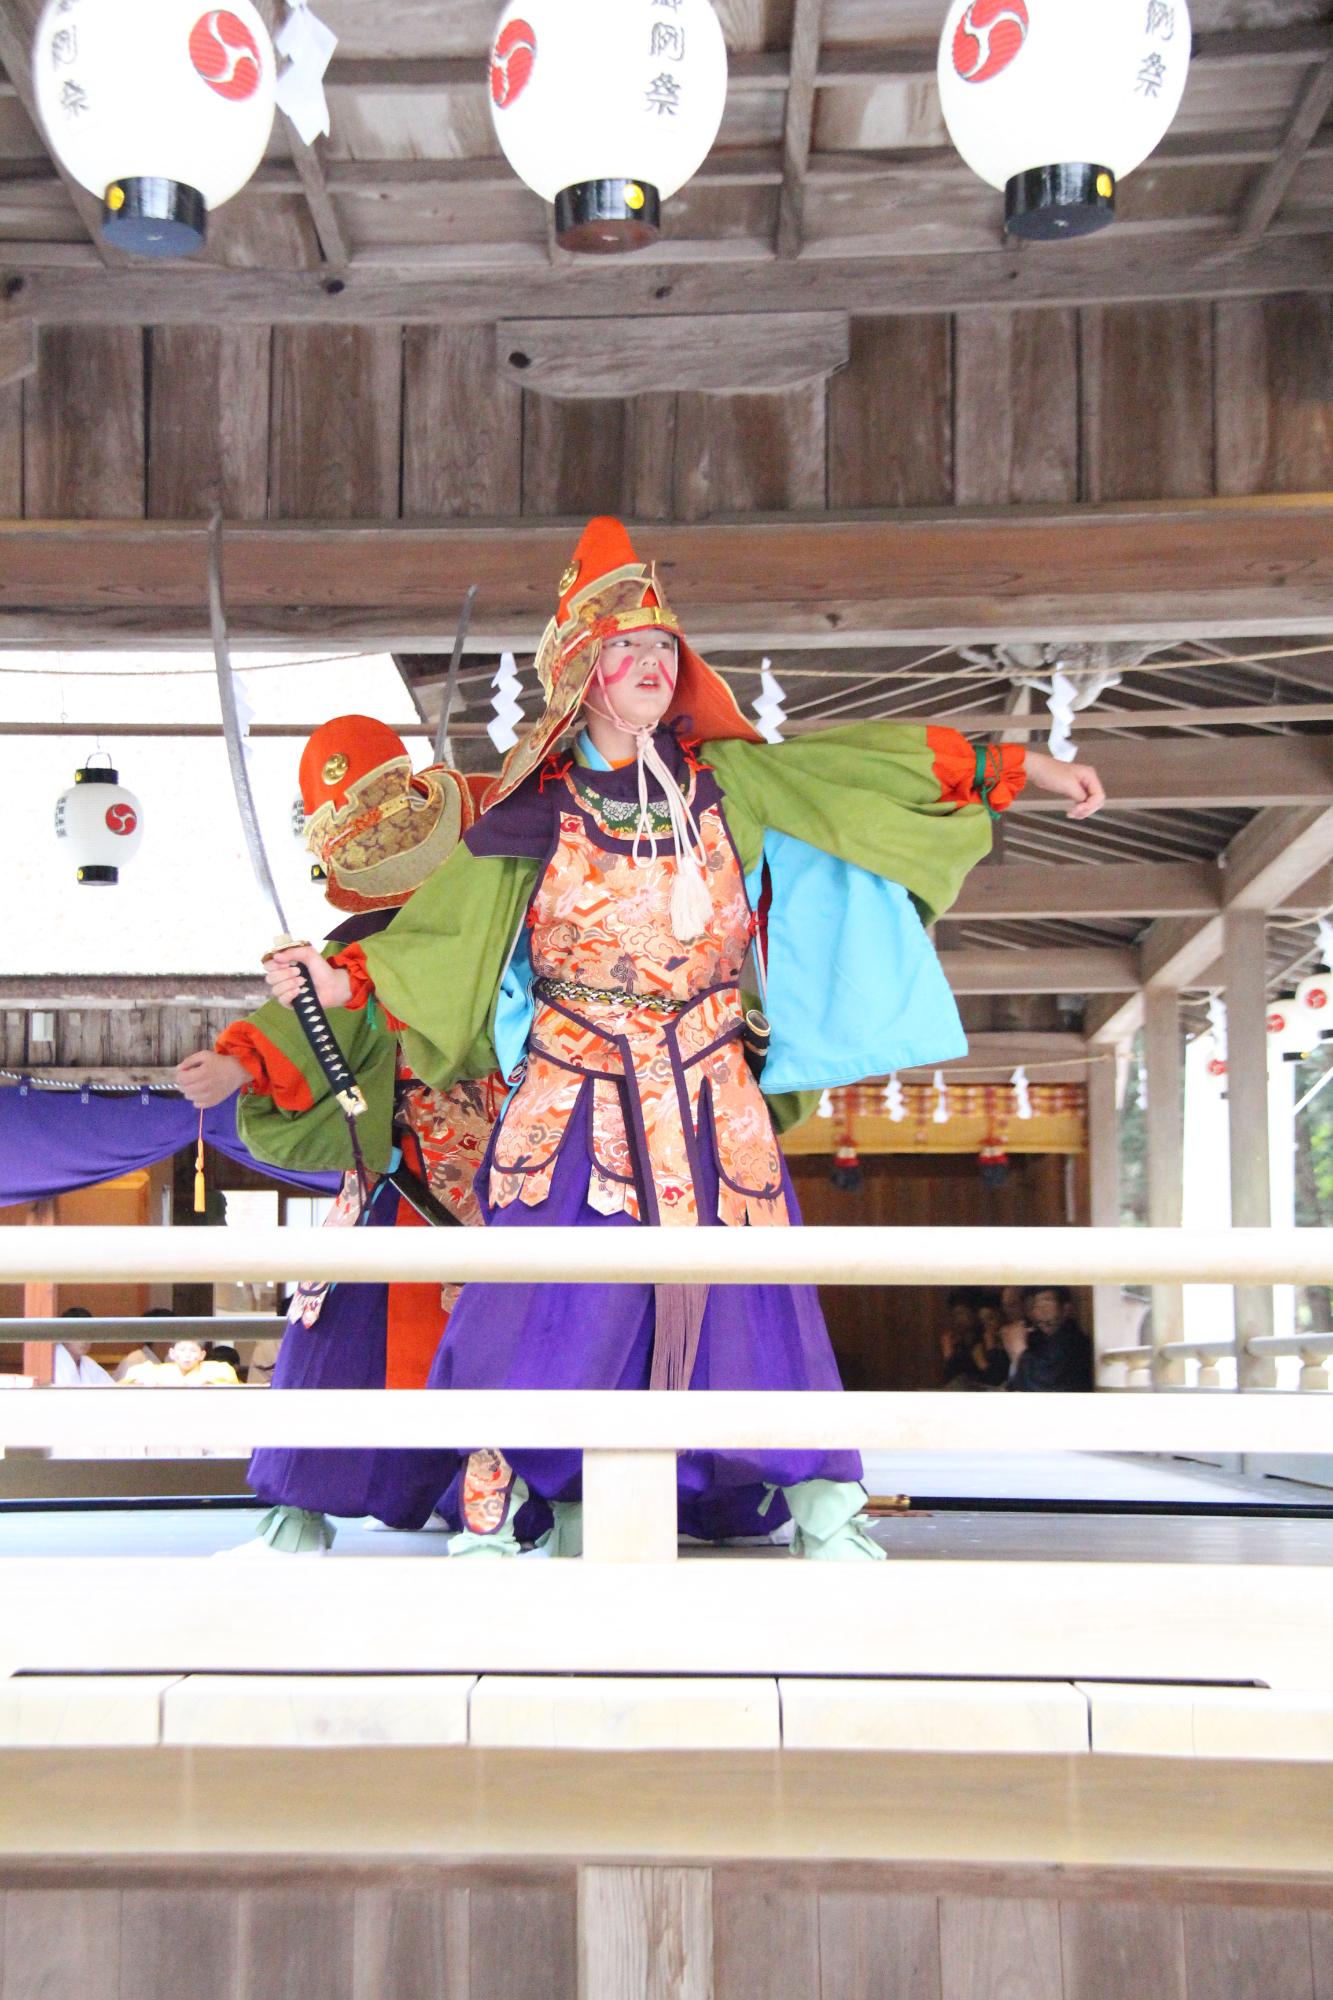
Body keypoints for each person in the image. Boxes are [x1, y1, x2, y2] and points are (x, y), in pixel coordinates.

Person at [262, 517, 1105, 1560]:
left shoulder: (730, 784)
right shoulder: (535, 814)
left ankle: (823, 1509)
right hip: (571, 1096)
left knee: (758, 1304)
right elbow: (442, 936)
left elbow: (852, 775)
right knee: (540, 1307)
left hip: (712, 1091)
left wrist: (1008, 766)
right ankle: (499, 1507)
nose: (653, 665)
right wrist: (335, 973)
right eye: (628, 649)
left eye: (665, 648)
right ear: (583, 671)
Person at [176, 715, 507, 1556]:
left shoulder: (497, 919)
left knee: (512, 1329)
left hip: (502, 1161)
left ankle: (512, 1511)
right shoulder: (349, 947)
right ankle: (298, 1512)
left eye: (400, 825)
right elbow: (294, 1023)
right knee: (338, 1338)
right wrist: (239, 1063)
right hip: (392, 1170)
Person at [1004, 1286, 1095, 1393]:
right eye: (1036, 1306)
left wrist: (1019, 1350)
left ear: (1066, 1309)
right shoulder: (1039, 1338)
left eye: (1046, 1304)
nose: (1039, 1312)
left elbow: (1043, 1384)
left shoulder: (1074, 1341)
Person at [941, 1291, 1007, 1391]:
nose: (956, 1319)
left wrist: (987, 1354)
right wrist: (948, 1354)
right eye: (953, 1315)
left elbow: (996, 1382)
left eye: (960, 1313)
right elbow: (953, 1380)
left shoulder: (993, 1341)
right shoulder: (963, 1343)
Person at [117, 1339, 239, 1387]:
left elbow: (230, 1379)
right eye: (182, 1350)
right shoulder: (158, 1370)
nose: (187, 1355)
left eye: (192, 1350)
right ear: (172, 1353)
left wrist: (207, 1381)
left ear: (202, 1354)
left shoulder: (216, 1369)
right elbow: (131, 1377)